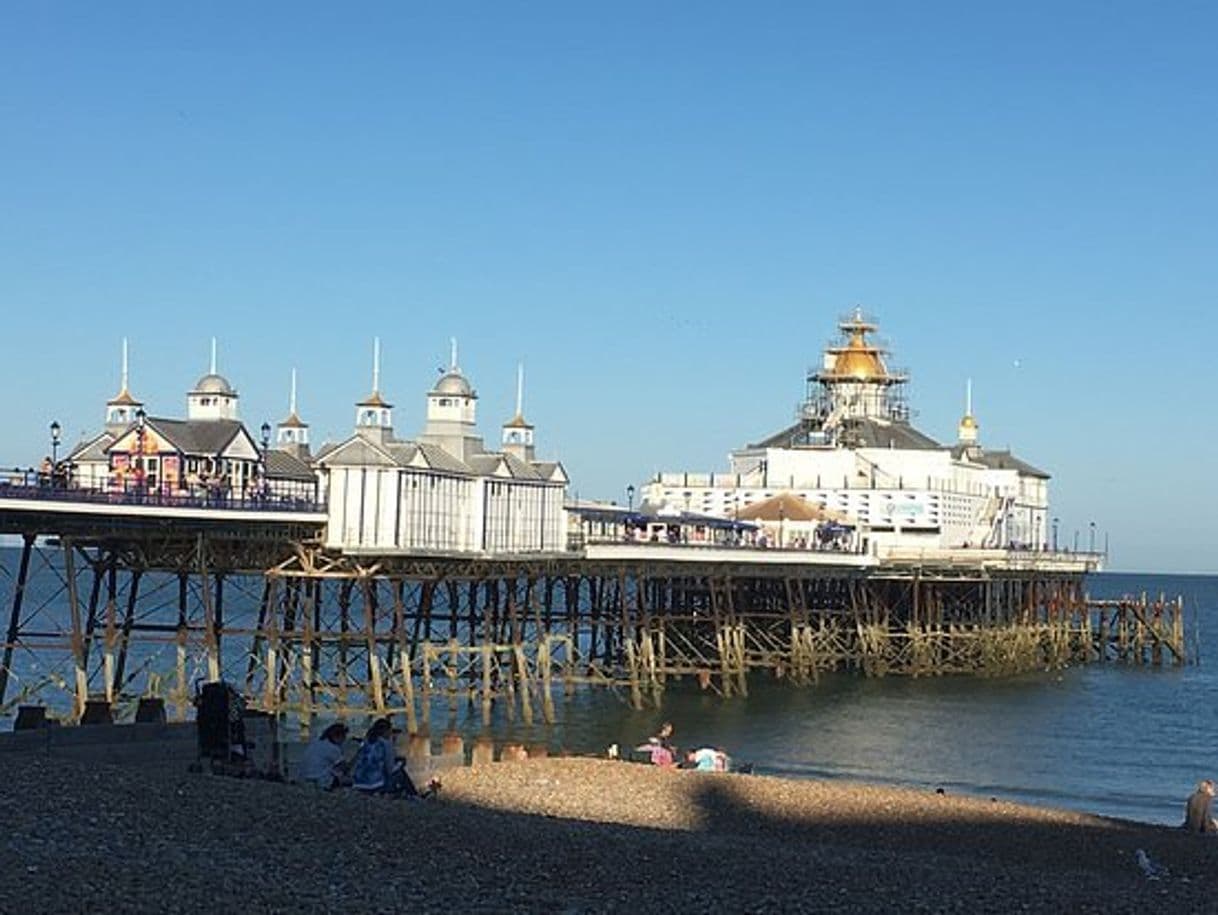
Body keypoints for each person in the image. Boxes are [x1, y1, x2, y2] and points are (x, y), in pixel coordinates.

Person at [351, 718, 439, 798]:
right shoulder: (385, 743)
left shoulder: (366, 741)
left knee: (396, 766)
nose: (391, 734)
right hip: (374, 786)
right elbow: (390, 770)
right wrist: (401, 763)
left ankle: (411, 793)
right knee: (400, 770)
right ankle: (414, 795)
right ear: (386, 731)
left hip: (358, 784)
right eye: (390, 731)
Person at [300, 723, 351, 790]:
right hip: (320, 780)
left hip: (304, 777)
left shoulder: (316, 742)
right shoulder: (333, 748)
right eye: (344, 737)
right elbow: (344, 767)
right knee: (349, 781)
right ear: (339, 736)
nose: (344, 740)